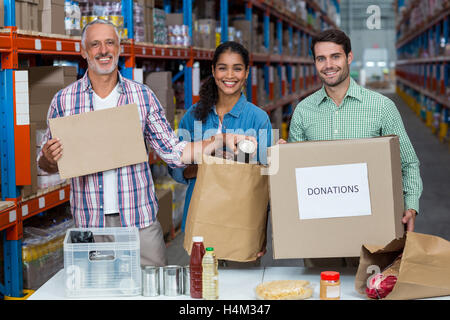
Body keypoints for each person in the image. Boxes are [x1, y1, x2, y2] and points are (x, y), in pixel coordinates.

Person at [37, 19, 256, 267]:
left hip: (139, 222)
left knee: (152, 293)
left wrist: (219, 140)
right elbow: (47, 166)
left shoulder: (141, 96)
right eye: (95, 44)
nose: (104, 50)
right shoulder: (64, 101)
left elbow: (174, 151)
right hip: (90, 226)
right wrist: (48, 157)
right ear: (83, 51)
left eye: (110, 42)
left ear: (119, 48)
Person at [288, 29, 423, 268]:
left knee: (371, 289)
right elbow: (294, 176)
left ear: (349, 57)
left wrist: (410, 206)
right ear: (314, 62)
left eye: (335, 56)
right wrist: (284, 157)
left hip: (372, 230)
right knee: (324, 289)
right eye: (321, 58)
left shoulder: (381, 107)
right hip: (319, 231)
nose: (328, 65)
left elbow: (408, 163)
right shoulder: (303, 111)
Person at [169, 41, 273, 265]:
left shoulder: (258, 118)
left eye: (237, 68)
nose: (230, 75)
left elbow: (266, 181)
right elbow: (175, 168)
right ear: (214, 71)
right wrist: (210, 165)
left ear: (246, 73)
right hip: (200, 221)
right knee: (201, 291)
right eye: (223, 67)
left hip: (243, 224)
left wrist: (261, 233)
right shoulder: (193, 116)